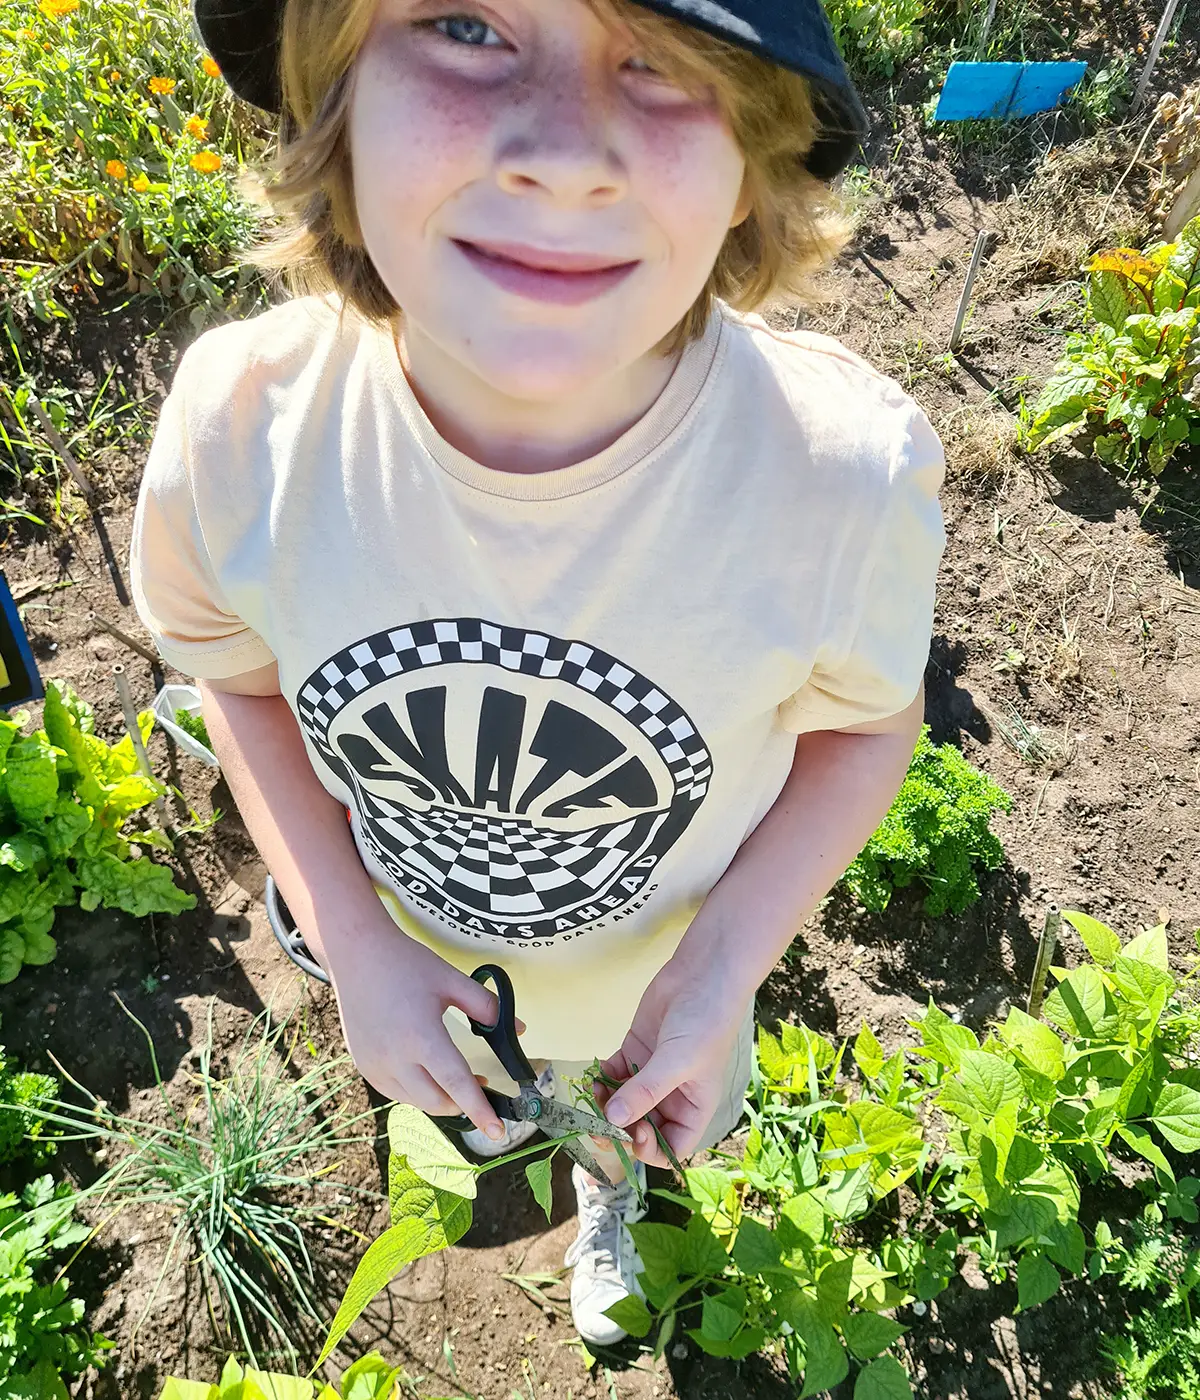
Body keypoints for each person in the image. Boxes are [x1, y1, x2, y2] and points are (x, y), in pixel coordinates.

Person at [130, 0, 946, 1347]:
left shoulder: (837, 481)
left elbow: (865, 732)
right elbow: (242, 679)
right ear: (331, 87)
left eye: (667, 61)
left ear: (756, 151)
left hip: (667, 986)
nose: (566, 154)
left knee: (630, 1122)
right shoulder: (242, 430)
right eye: (464, 22)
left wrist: (731, 964)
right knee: (472, 1078)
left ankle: (609, 1195)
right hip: (410, 950)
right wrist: (350, 935)